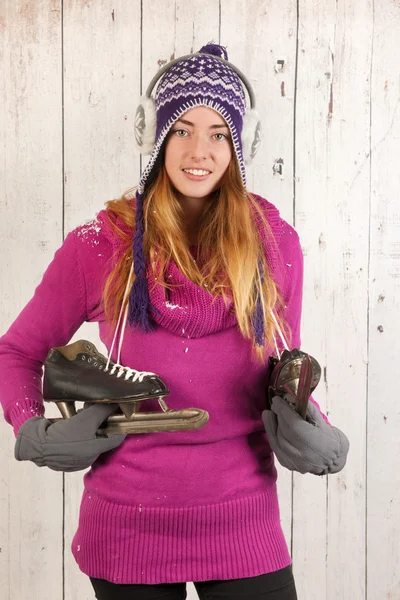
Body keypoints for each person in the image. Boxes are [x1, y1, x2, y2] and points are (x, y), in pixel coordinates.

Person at [0, 44, 349, 600]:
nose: (199, 150)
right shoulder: (101, 246)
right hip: (126, 526)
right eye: (182, 129)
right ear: (156, 136)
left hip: (242, 523)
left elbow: (284, 371)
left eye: (217, 134)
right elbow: (16, 352)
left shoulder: (274, 246)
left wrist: (315, 426)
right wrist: (31, 431)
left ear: (238, 145)